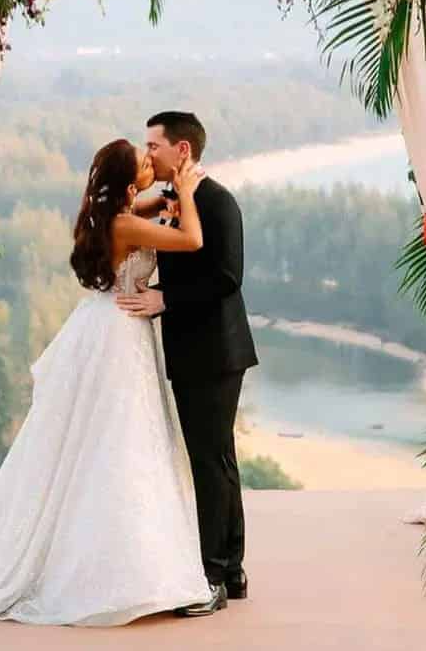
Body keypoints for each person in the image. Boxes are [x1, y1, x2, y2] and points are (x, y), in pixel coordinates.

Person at [0, 139, 211, 626]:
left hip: (101, 326)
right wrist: (189, 191)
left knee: (95, 442)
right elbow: (192, 238)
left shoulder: (106, 212)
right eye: (144, 162)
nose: (152, 163)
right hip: (117, 335)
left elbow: (148, 203)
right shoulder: (127, 224)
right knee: (119, 443)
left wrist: (162, 192)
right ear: (130, 183)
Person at [117, 111, 258, 616]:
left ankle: (213, 578)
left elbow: (227, 277)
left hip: (216, 352)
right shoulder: (177, 201)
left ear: (182, 151)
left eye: (153, 144)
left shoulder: (217, 202)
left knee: (210, 461)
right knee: (217, 458)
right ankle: (233, 572)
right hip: (194, 351)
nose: (146, 152)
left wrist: (164, 299)